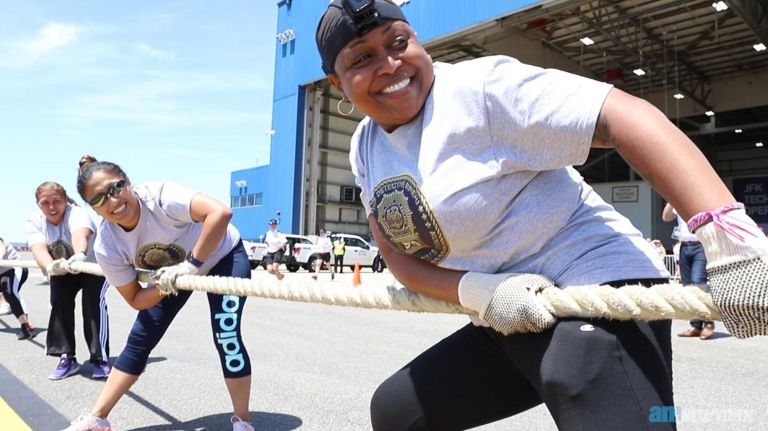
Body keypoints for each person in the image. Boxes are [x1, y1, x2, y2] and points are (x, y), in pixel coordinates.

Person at [316, 1, 768, 429]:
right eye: (362, 59)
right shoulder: (366, 146)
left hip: (600, 285)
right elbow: (395, 254)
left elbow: (627, 117)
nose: (390, 64)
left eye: (398, 42)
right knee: (396, 413)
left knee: (575, 367)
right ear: (337, 84)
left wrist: (729, 240)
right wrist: (478, 291)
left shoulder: (479, 92)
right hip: (512, 306)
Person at [61, 158, 255, 431]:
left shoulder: (160, 196)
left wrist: (192, 265)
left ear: (129, 183)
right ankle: (97, 418)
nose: (112, 201)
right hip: (173, 274)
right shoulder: (107, 245)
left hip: (222, 255)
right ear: (92, 208)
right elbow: (136, 299)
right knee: (139, 339)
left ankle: (243, 420)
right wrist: (167, 284)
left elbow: (219, 213)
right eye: (99, 200)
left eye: (116, 188)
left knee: (227, 335)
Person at [26, 181, 110, 381]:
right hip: (62, 267)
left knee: (92, 305)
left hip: (92, 264)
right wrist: (49, 267)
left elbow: (80, 233)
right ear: (38, 205)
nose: (52, 207)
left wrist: (80, 254)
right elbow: (38, 248)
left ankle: (100, 358)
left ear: (65, 200)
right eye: (45, 203)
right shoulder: (34, 220)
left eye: (57, 201)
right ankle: (67, 357)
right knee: (59, 303)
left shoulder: (76, 213)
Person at [663, 203, 715, 340]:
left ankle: (709, 324)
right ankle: (696, 326)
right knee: (688, 287)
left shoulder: (696, 199)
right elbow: (666, 217)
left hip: (700, 246)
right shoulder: (676, 202)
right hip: (684, 247)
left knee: (699, 284)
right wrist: (670, 199)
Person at [0, 237, 35, 340]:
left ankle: (26, 327)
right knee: (10, 294)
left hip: (15, 268)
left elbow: (2, 249)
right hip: (2, 272)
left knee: (11, 293)